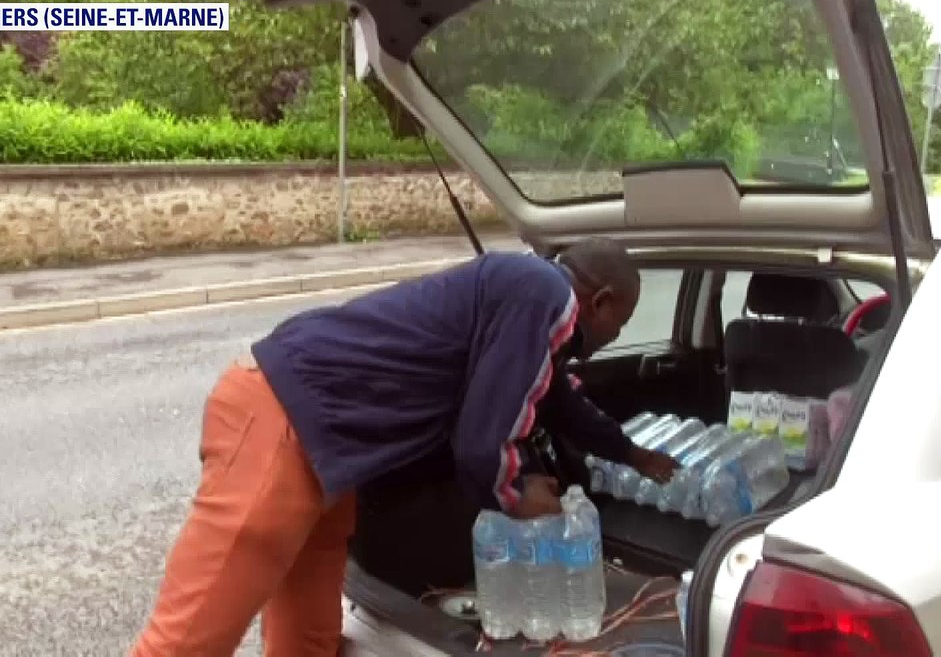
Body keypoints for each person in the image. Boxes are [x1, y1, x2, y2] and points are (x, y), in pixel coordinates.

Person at [129, 237, 680, 657]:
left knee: (308, 631)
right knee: (189, 641)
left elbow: (559, 402)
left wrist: (632, 454)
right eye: (621, 322)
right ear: (601, 301)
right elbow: (479, 444)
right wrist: (515, 492)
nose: (615, 335)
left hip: (329, 445)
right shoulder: (548, 296)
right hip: (284, 417)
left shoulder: (523, 291)